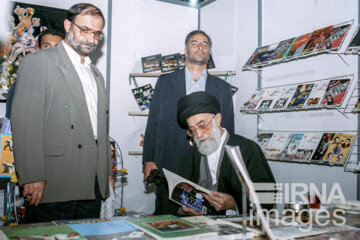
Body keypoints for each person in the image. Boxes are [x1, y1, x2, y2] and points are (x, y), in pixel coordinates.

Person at [11, 3, 113, 223]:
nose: (91, 39)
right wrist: (32, 175)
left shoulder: (95, 74)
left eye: (97, 34)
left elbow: (100, 129)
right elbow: (26, 125)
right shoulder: (37, 62)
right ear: (68, 25)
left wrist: (106, 174)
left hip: (91, 182)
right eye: (84, 30)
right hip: (53, 178)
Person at [143, 30, 234, 215]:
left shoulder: (222, 88)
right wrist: (148, 160)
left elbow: (228, 128)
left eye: (205, 44)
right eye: (195, 43)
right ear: (186, 50)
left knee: (207, 218)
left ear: (209, 52)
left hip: (208, 160)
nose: (200, 47)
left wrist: (226, 169)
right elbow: (153, 122)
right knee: (167, 218)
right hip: (170, 158)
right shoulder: (165, 82)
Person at [176, 91, 275, 216]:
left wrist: (234, 204)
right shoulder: (194, 152)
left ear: (217, 119)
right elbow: (179, 193)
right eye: (192, 130)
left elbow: (267, 199)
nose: (199, 135)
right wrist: (185, 207)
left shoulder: (247, 149)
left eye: (202, 126)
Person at [6, 28, 65, 120]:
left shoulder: (71, 79)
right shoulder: (26, 78)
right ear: (38, 49)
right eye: (46, 46)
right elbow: (12, 119)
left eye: (57, 47)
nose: (51, 51)